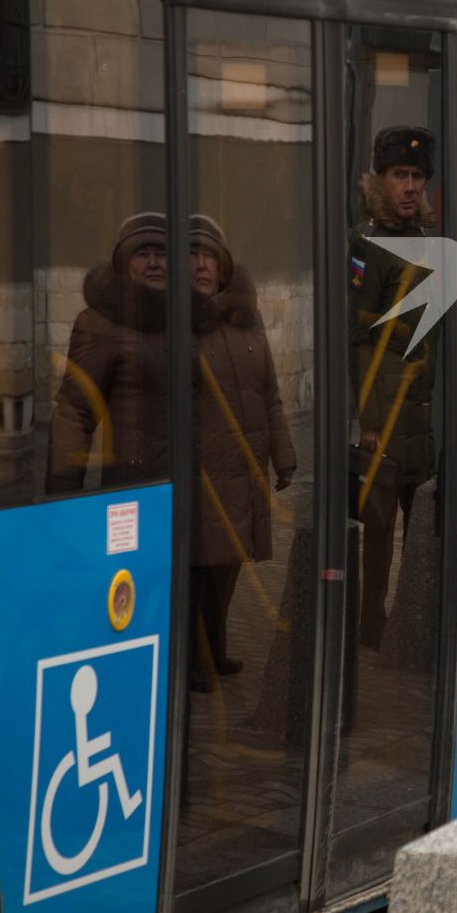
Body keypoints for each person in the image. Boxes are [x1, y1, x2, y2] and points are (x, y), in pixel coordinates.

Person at [189, 214, 295, 690]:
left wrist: (285, 455)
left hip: (245, 466)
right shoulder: (178, 323)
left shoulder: (246, 322)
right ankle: (195, 659)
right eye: (192, 254)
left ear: (224, 262)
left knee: (228, 567)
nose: (201, 265)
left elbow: (270, 393)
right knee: (203, 568)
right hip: (206, 471)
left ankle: (216, 649)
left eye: (209, 254)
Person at [350, 126, 437, 650]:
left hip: (423, 410)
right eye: (400, 175)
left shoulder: (428, 239)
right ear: (380, 180)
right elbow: (359, 339)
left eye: (418, 177)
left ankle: (412, 619)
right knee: (379, 530)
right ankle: (370, 619)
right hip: (385, 412)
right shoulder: (367, 243)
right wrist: (368, 420)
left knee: (422, 524)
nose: (410, 187)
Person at [47, 211, 172, 493]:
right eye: (142, 254)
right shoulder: (101, 324)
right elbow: (74, 415)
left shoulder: (184, 321)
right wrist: (63, 501)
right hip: (135, 486)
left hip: (188, 488)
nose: (153, 263)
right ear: (124, 264)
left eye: (161, 253)